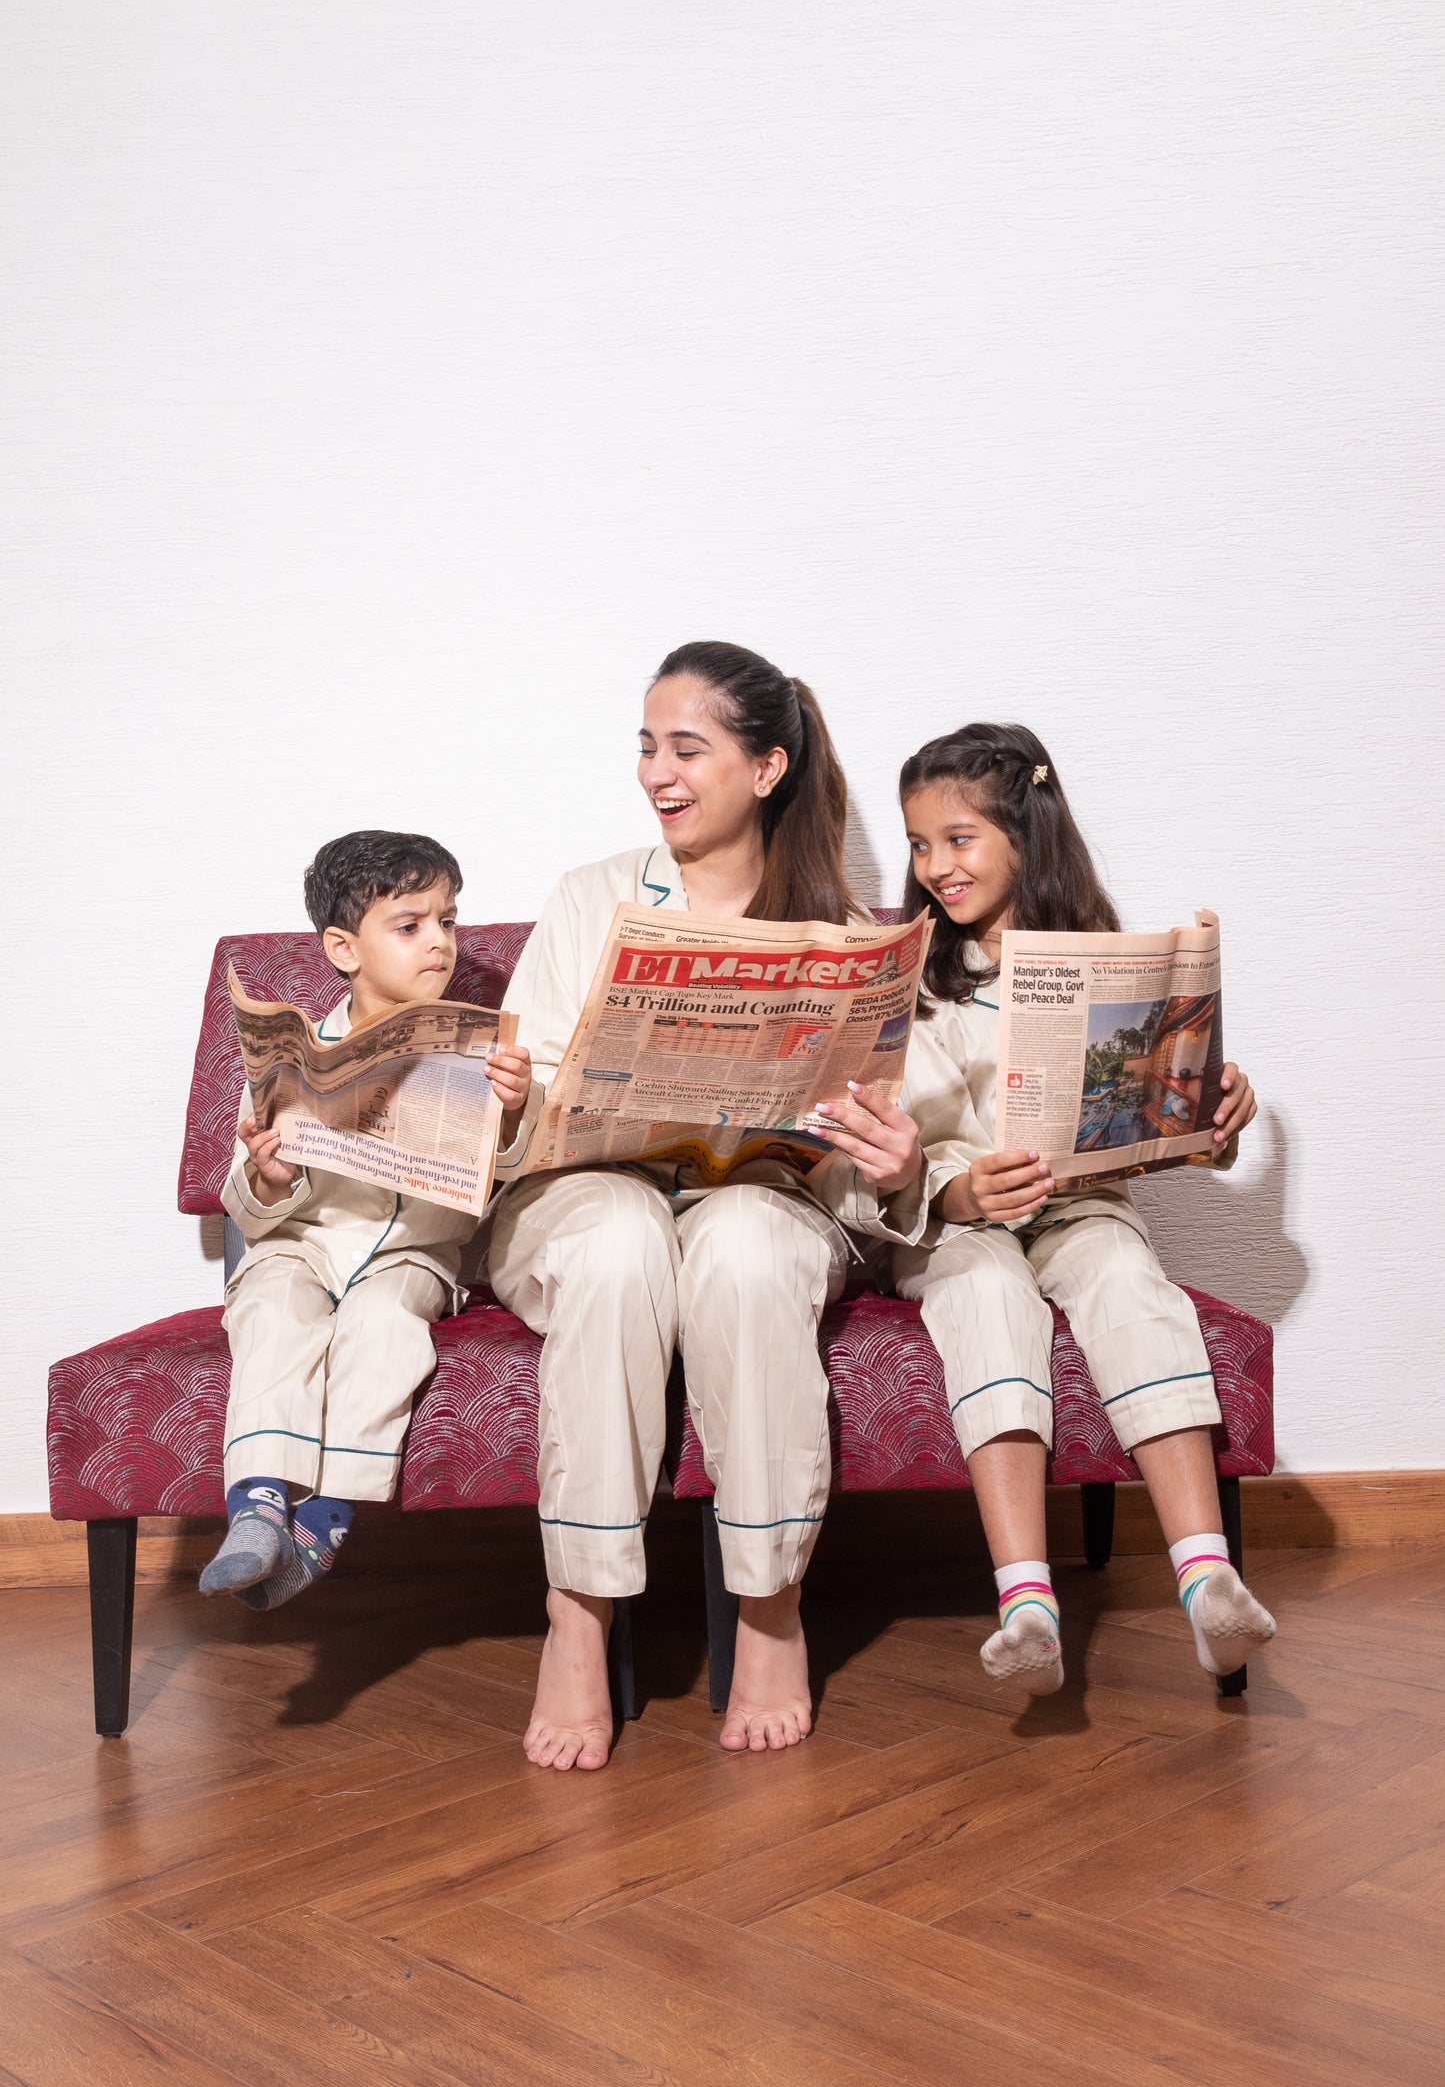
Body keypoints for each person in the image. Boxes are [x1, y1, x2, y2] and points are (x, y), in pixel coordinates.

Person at [490, 641, 926, 1770]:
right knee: (624, 1238)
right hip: (585, 1193)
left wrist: (882, 1157)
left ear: (767, 765)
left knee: (733, 1244)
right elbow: (519, 1106)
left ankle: (770, 1605)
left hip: (764, 1194)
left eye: (687, 747)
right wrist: (513, 1098)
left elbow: (860, 1157)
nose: (656, 772)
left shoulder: (838, 926)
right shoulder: (591, 897)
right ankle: (577, 1617)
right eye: (646, 745)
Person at [891, 725, 1275, 1694]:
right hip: (960, 1220)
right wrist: (959, 1189)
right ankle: (1025, 1598)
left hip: (1079, 1204)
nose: (935, 865)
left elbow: (1160, 1126)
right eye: (918, 843)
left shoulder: (1102, 958)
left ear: (1025, 833)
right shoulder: (913, 975)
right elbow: (901, 1134)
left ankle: (1203, 1574)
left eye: (959, 838)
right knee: (985, 1293)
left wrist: (1214, 1118)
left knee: (1125, 1278)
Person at [203, 830, 532, 1609]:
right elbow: (243, 1194)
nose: (439, 943)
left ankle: (325, 1517)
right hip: (303, 1247)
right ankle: (256, 1506)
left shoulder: (481, 1053)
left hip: (412, 1255)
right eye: (410, 925)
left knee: (383, 1324)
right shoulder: (299, 1050)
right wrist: (268, 1171)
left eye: (448, 921)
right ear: (344, 948)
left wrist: (515, 1116)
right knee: (271, 1306)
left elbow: (513, 1181)